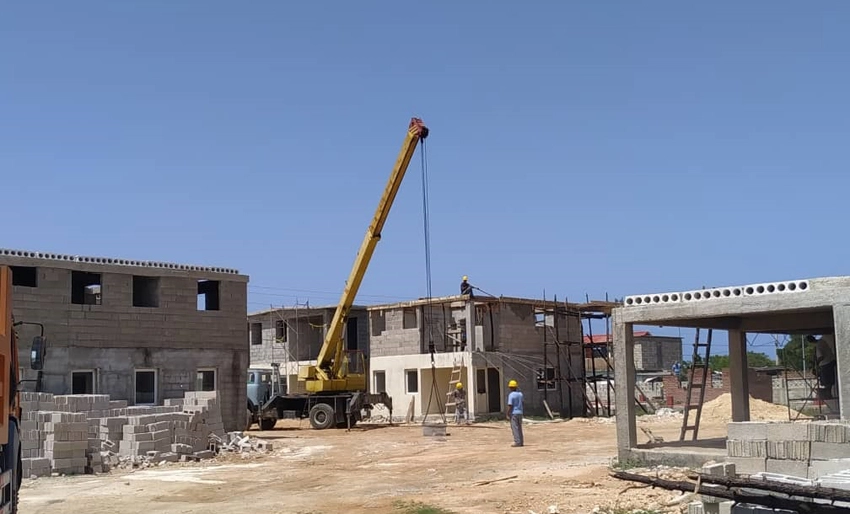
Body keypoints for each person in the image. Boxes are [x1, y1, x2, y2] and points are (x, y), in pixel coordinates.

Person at [808, 334, 837, 400]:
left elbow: (821, 356)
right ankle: (828, 394)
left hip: (826, 363)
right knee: (829, 380)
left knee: (827, 380)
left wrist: (816, 364)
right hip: (830, 361)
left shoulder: (818, 345)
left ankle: (828, 394)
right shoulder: (822, 341)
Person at [506, 379, 524, 447]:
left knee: (514, 428)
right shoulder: (520, 394)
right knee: (519, 427)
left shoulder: (511, 395)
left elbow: (510, 405)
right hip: (520, 412)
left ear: (511, 387)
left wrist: (507, 413)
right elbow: (522, 402)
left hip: (514, 413)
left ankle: (517, 442)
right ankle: (521, 441)